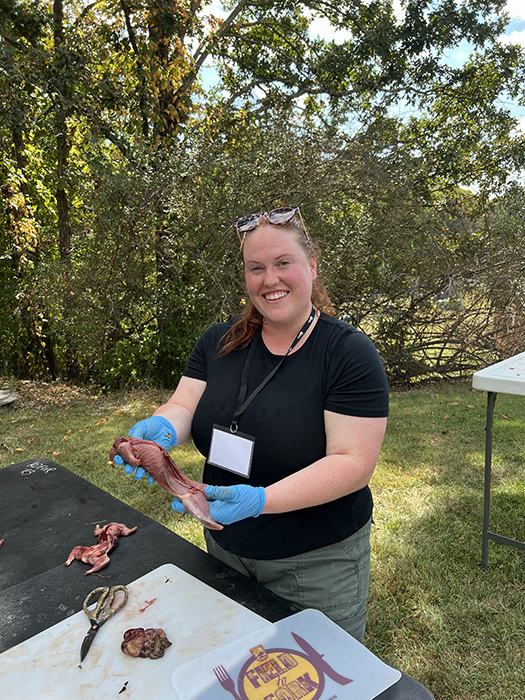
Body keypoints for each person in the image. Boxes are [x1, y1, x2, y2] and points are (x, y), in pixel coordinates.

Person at [112, 206, 389, 641]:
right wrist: (161, 430)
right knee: (234, 664)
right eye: (255, 268)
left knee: (317, 676)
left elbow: (353, 463)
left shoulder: (348, 354)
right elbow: (183, 406)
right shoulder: (219, 341)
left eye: (283, 263)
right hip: (224, 547)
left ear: (311, 267)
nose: (269, 279)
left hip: (315, 562)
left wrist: (260, 499)